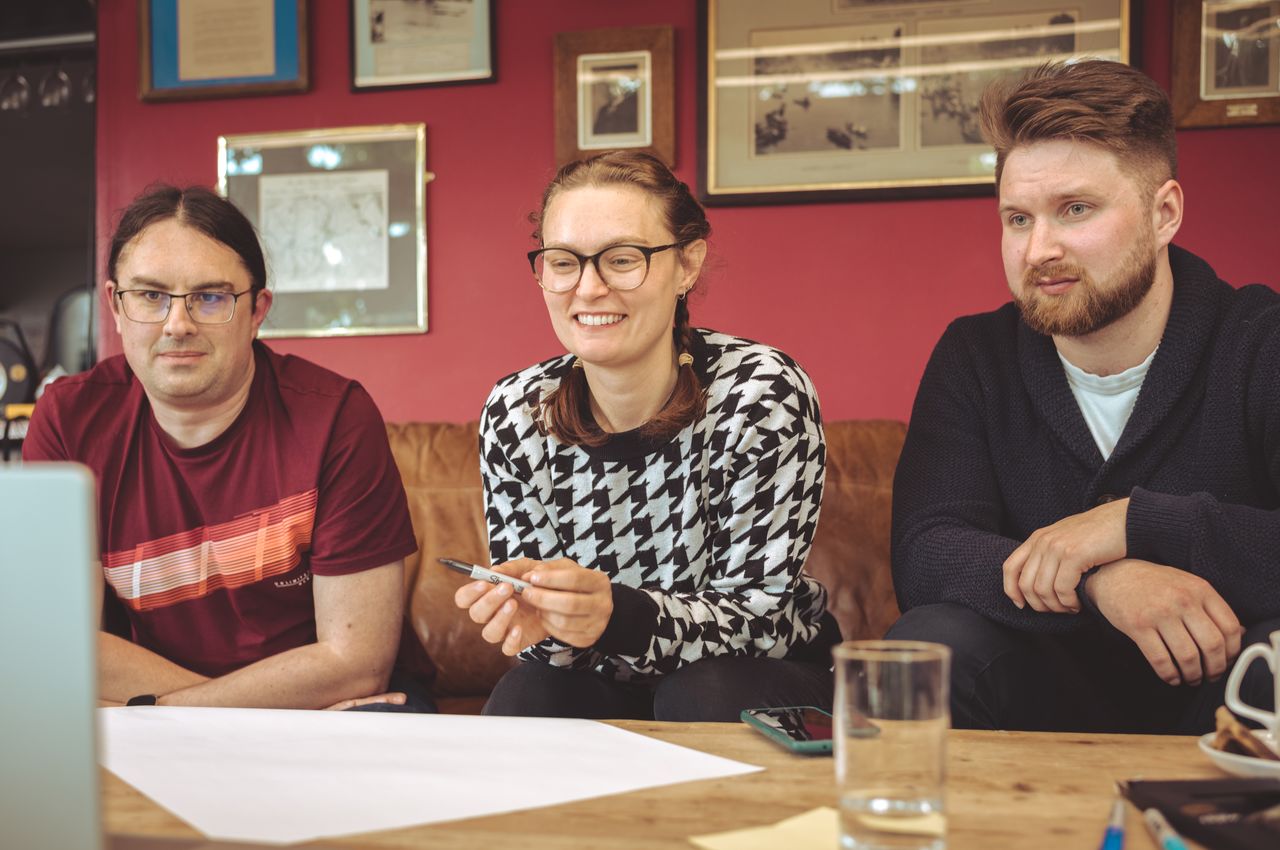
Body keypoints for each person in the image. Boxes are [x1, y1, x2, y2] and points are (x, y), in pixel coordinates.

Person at [886, 60, 1280, 734]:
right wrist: (1100, 582)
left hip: (1223, 696)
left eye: (1075, 209)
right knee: (933, 642)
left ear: (1164, 214)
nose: (1040, 249)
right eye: (1017, 218)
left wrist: (1134, 523)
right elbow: (927, 550)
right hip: (1041, 694)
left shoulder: (1259, 341)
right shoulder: (975, 356)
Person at [456, 151, 840, 721]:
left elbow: (755, 617)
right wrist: (539, 616)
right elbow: (543, 649)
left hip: (758, 671)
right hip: (601, 675)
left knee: (696, 695)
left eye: (622, 258)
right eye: (563, 262)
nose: (587, 289)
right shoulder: (516, 413)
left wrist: (615, 614)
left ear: (687, 265)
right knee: (527, 695)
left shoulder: (760, 394)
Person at [23, 185, 434, 712]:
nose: (177, 323)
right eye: (150, 296)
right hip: (269, 703)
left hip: (337, 710)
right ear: (115, 306)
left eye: (210, 297)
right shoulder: (68, 421)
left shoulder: (335, 416)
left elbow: (355, 663)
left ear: (257, 309)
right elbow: (62, 644)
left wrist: (164, 712)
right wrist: (229, 710)